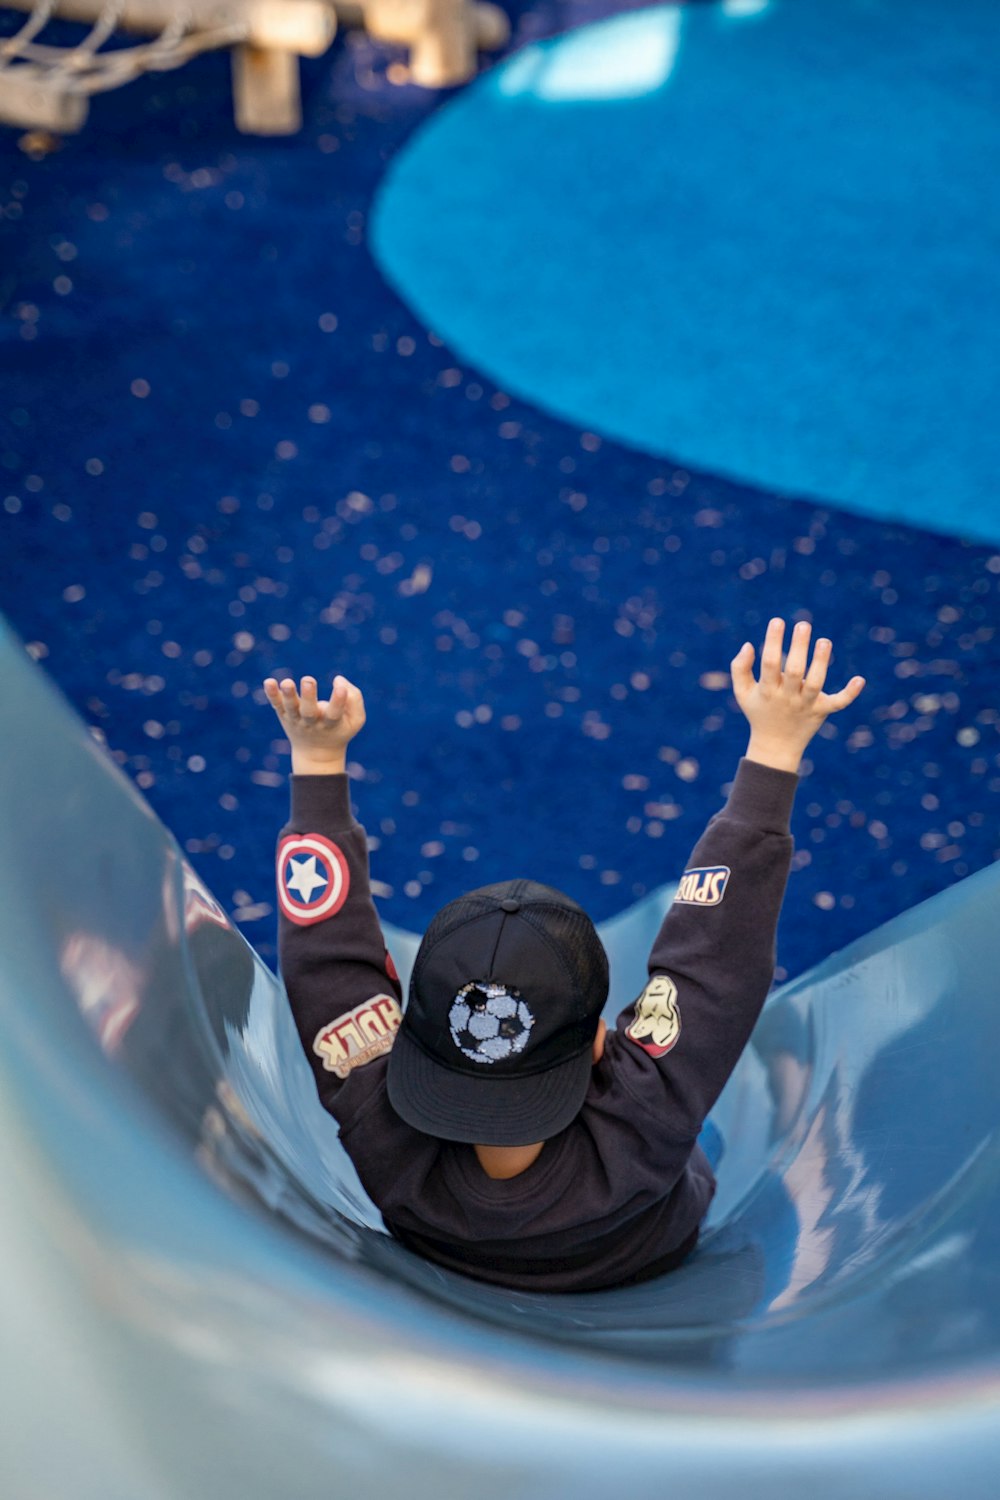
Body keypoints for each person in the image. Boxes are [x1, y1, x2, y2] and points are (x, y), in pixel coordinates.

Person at [262, 617, 865, 1293]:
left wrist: (316, 767)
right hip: (644, 1257)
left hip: (445, 1254)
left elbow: (324, 964)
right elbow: (720, 960)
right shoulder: (643, 1121)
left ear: (405, 1036)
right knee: (706, 1138)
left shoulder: (379, 1115)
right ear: (601, 1046)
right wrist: (776, 749)